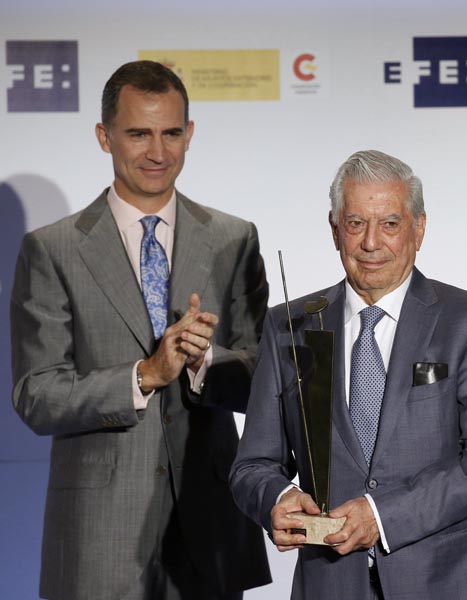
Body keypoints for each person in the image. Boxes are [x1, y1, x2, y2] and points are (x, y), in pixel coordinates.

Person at [11, 60, 271, 600]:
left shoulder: (234, 238)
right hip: (99, 539)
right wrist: (146, 374)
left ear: (190, 134)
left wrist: (203, 363)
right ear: (105, 136)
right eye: (139, 133)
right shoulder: (53, 249)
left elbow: (263, 377)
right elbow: (37, 395)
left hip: (209, 532)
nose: (158, 152)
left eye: (171, 133)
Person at [230, 149, 467, 599]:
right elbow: (253, 465)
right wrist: (276, 499)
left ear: (418, 228)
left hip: (451, 582)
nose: (370, 243)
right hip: (330, 583)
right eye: (355, 224)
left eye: (389, 223)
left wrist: (380, 516)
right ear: (334, 229)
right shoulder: (289, 326)